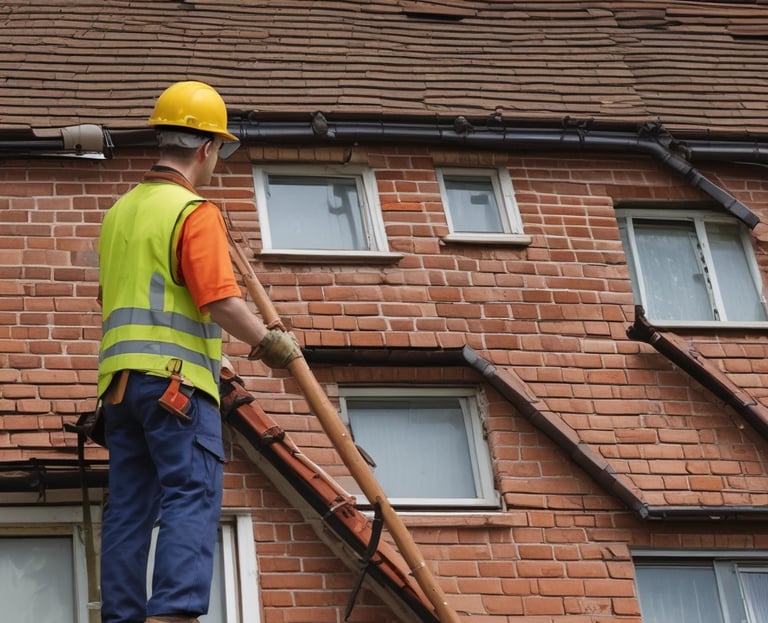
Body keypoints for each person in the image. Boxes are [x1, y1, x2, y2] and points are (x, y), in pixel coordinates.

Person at [97, 80, 301, 623]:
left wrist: (219, 358)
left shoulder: (119, 214)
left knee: (128, 510)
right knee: (192, 493)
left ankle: (122, 617)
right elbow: (220, 301)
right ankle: (174, 614)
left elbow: (143, 299)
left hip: (120, 392)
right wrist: (268, 342)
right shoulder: (193, 210)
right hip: (175, 390)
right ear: (208, 147)